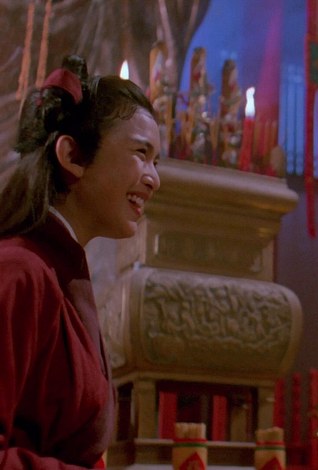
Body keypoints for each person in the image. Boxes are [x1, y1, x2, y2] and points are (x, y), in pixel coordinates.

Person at [0, 55, 160, 468]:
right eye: (141, 153)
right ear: (72, 154)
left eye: (155, 161)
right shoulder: (20, 271)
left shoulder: (58, 273)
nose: (154, 179)